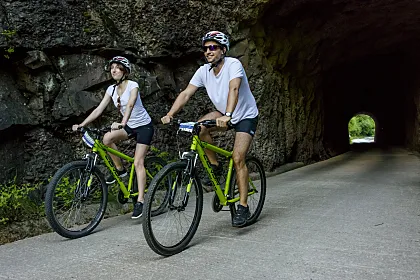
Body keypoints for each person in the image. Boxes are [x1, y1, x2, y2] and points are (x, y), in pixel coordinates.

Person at [161, 31, 259, 227]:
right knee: (199, 128)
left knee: (238, 158)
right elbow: (187, 93)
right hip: (223, 113)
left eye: (213, 47)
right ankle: (215, 166)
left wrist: (228, 115)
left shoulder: (233, 65)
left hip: (244, 116)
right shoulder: (203, 71)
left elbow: (234, 89)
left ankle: (243, 206)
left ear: (223, 50)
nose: (208, 51)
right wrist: (170, 114)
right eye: (205, 48)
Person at [72, 56, 154, 219]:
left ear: (125, 71)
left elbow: (130, 104)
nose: (114, 70)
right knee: (107, 139)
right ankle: (121, 171)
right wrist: (82, 124)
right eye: (112, 68)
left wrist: (122, 123)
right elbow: (98, 110)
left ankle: (140, 201)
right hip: (129, 126)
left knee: (138, 162)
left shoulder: (133, 85)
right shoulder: (111, 89)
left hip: (144, 126)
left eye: (118, 67)